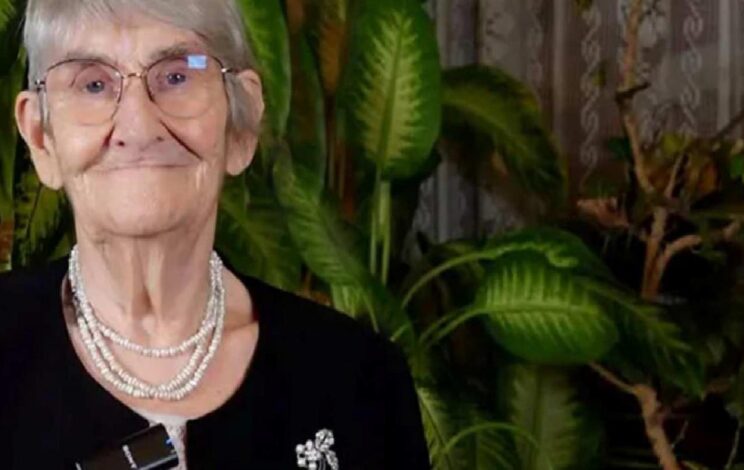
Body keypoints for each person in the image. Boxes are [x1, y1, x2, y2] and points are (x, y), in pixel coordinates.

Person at [0, 0, 429, 468]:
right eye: (94, 84)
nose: (138, 127)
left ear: (240, 125)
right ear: (42, 137)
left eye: (177, 76)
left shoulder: (358, 378)